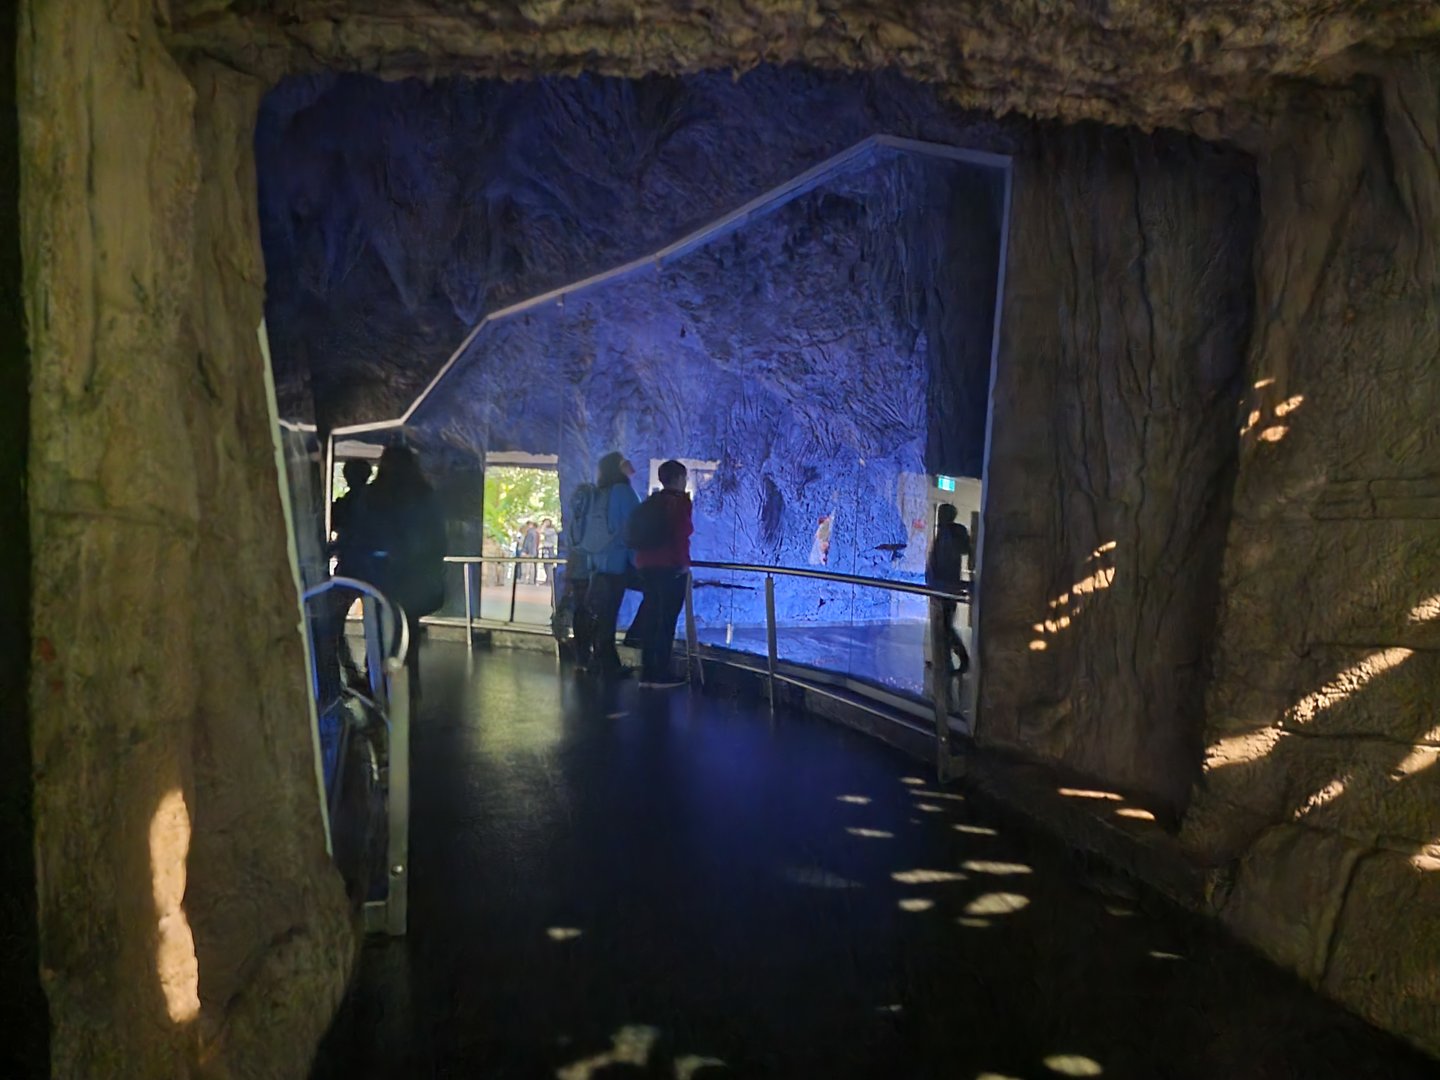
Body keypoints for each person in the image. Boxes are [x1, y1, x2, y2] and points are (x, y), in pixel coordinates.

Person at [367, 446, 447, 696]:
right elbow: (438, 541)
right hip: (415, 582)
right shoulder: (425, 495)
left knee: (380, 632)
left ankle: (379, 689)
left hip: (381, 579)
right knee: (408, 633)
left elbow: (364, 535)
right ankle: (409, 689)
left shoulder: (374, 495)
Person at [572, 451, 639, 679]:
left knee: (595, 613)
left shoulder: (598, 493)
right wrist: (638, 562)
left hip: (593, 563)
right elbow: (632, 529)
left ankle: (589, 659)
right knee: (608, 616)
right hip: (615, 564)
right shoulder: (623, 492)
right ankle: (607, 664)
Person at [631, 459, 694, 688]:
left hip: (646, 566)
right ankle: (660, 673)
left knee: (651, 618)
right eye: (684, 478)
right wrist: (682, 564)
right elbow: (681, 534)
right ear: (679, 479)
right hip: (670, 568)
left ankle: (647, 672)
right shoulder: (677, 503)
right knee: (666, 621)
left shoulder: (652, 502)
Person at [925, 503, 971, 676]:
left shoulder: (953, 533)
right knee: (941, 627)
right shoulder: (943, 533)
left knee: (945, 627)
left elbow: (963, 551)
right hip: (938, 586)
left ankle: (961, 660)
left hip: (946, 587)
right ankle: (943, 662)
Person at [520, 520, 540, 584]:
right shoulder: (535, 532)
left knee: (525, 565)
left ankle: (524, 579)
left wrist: (525, 551)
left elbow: (528, 543)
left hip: (528, 551)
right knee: (531, 566)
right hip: (533, 551)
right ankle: (531, 580)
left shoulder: (530, 532)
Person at [539, 517, 558, 583]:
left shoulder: (551, 530)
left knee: (549, 564)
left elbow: (541, 531)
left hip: (549, 548)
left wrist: (544, 525)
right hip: (546, 547)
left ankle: (549, 580)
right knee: (545, 564)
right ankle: (548, 578)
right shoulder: (548, 530)